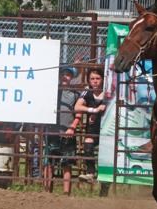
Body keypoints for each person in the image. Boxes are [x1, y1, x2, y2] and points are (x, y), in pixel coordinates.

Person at [42, 66, 80, 195]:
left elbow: (78, 113)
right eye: (63, 74)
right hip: (52, 131)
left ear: (71, 77)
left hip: (67, 132)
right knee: (49, 162)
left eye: (68, 74)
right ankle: (47, 190)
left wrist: (72, 127)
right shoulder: (51, 91)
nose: (65, 77)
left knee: (66, 163)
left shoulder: (75, 94)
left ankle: (66, 192)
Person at [74, 68, 110, 197]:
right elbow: (77, 106)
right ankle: (90, 173)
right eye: (92, 79)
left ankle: (104, 189)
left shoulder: (107, 92)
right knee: (87, 143)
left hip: (108, 129)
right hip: (93, 128)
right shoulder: (87, 92)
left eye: (97, 78)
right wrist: (94, 110)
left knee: (107, 156)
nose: (95, 81)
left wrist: (103, 109)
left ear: (102, 79)